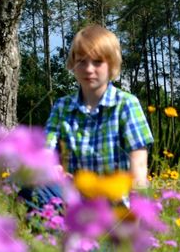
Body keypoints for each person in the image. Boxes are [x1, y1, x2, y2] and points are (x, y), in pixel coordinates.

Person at [19, 24, 154, 215]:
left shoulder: (126, 105)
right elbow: (45, 152)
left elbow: (138, 165)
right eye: (81, 61)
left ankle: (94, 240)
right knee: (30, 189)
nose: (89, 69)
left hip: (112, 207)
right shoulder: (62, 107)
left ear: (112, 65)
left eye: (98, 62)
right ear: (73, 64)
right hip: (71, 202)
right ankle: (60, 238)